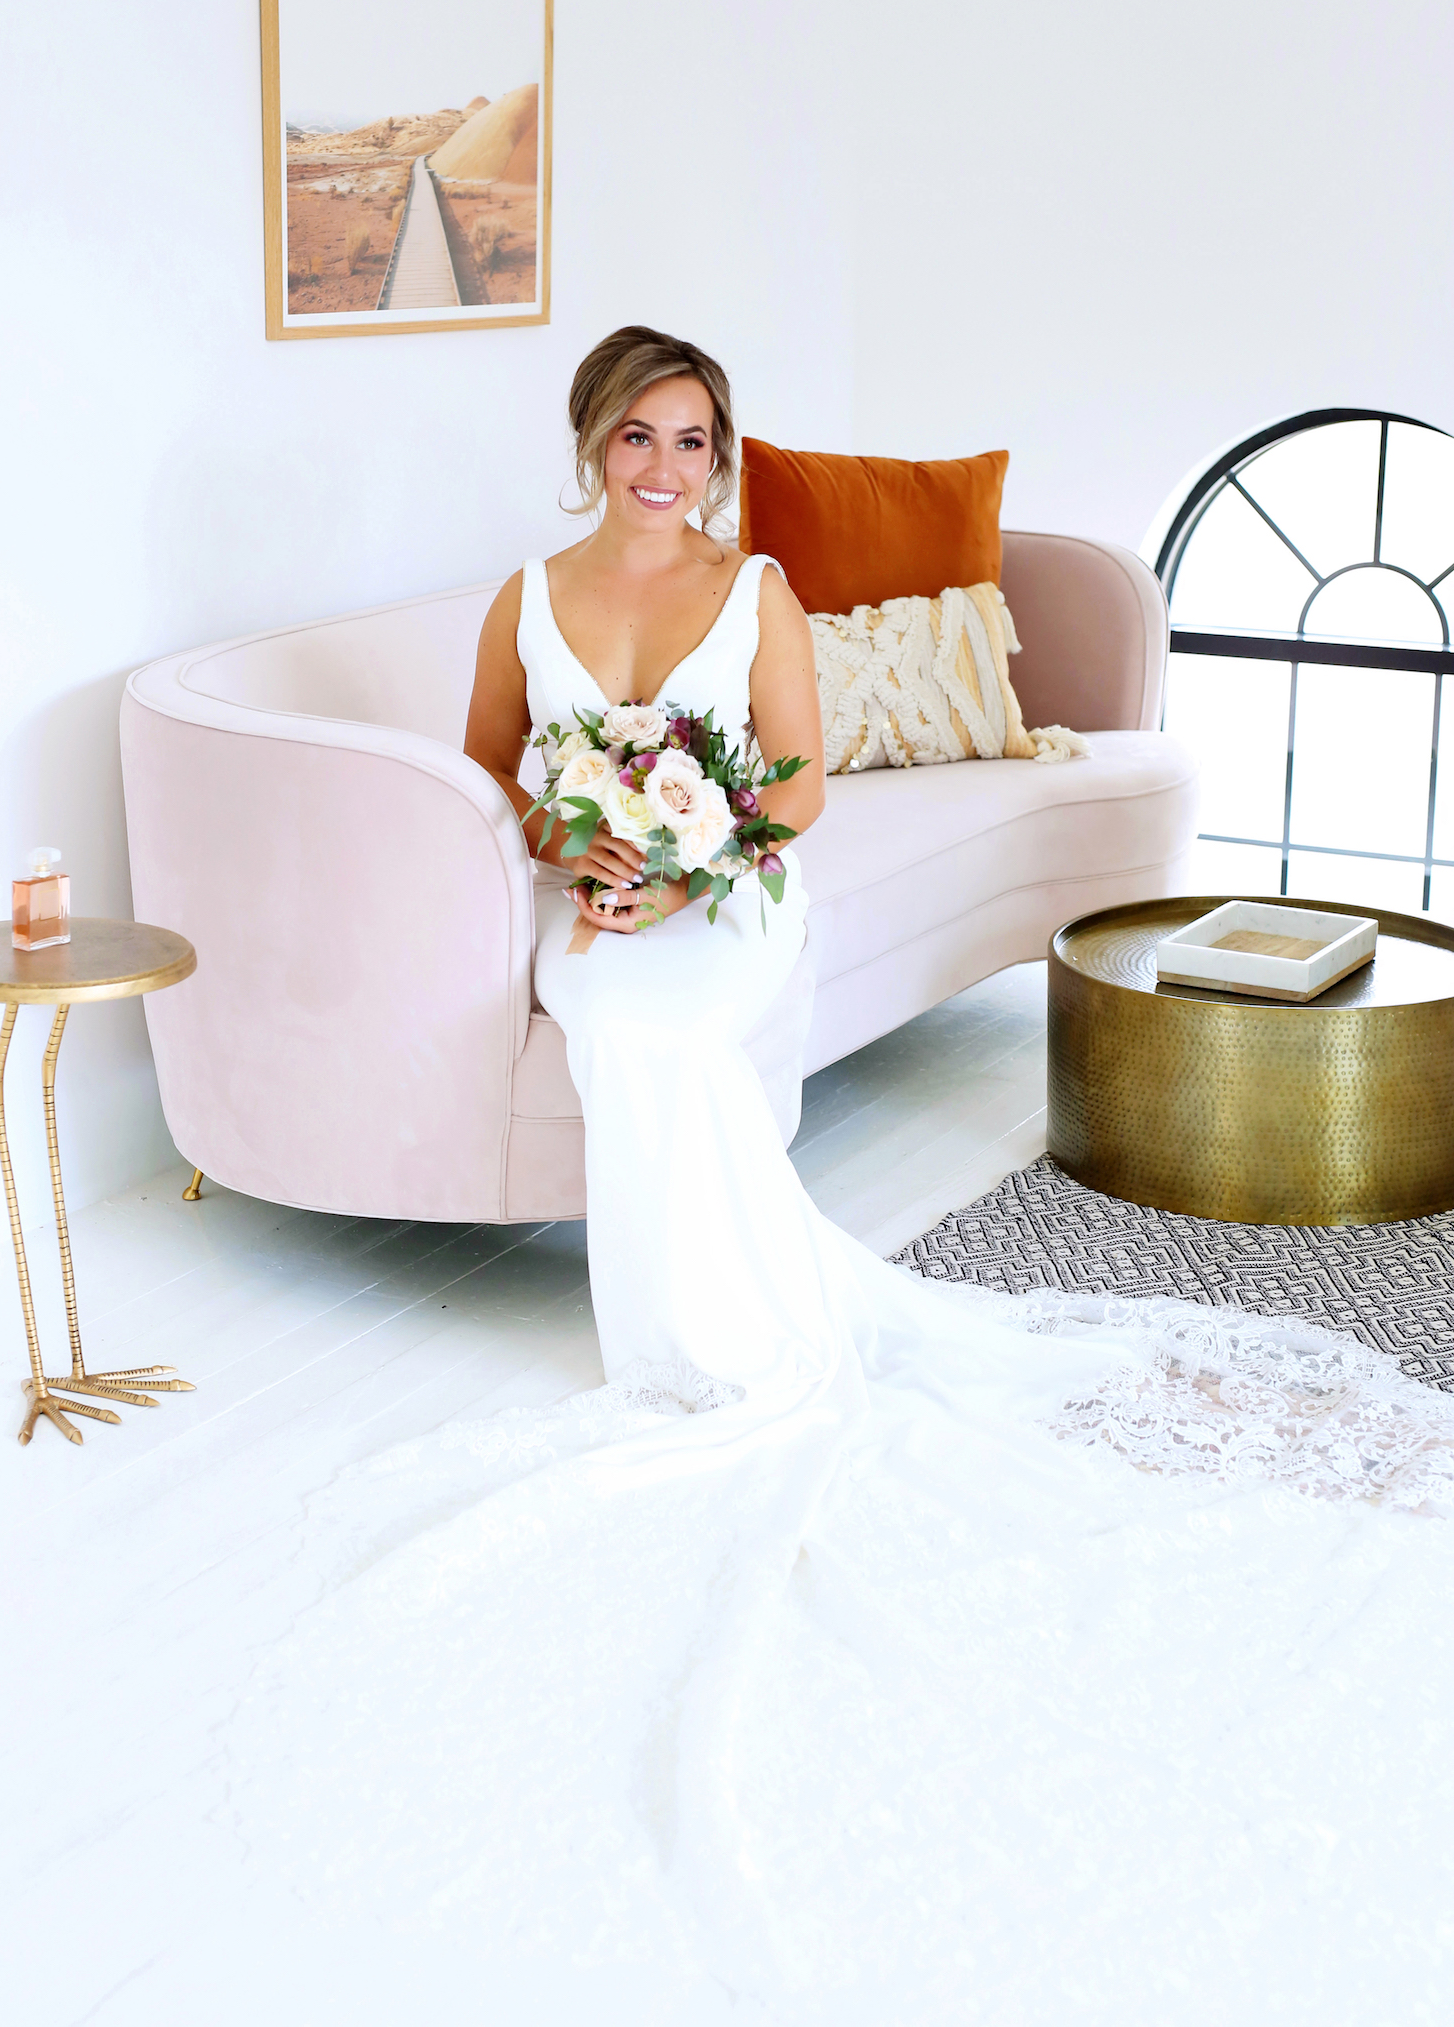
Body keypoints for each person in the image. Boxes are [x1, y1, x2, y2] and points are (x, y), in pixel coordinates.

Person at [229, 328, 1454, 2018]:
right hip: (599, 907)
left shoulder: (760, 591)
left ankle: (722, 1341)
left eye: (694, 438)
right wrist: (586, 846)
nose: (665, 465)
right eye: (638, 435)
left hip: (731, 899)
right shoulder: (528, 595)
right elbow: (503, 774)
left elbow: (792, 792)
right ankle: (690, 1335)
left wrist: (681, 860)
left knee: (671, 1024)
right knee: (616, 1027)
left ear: (719, 456)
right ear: (588, 442)